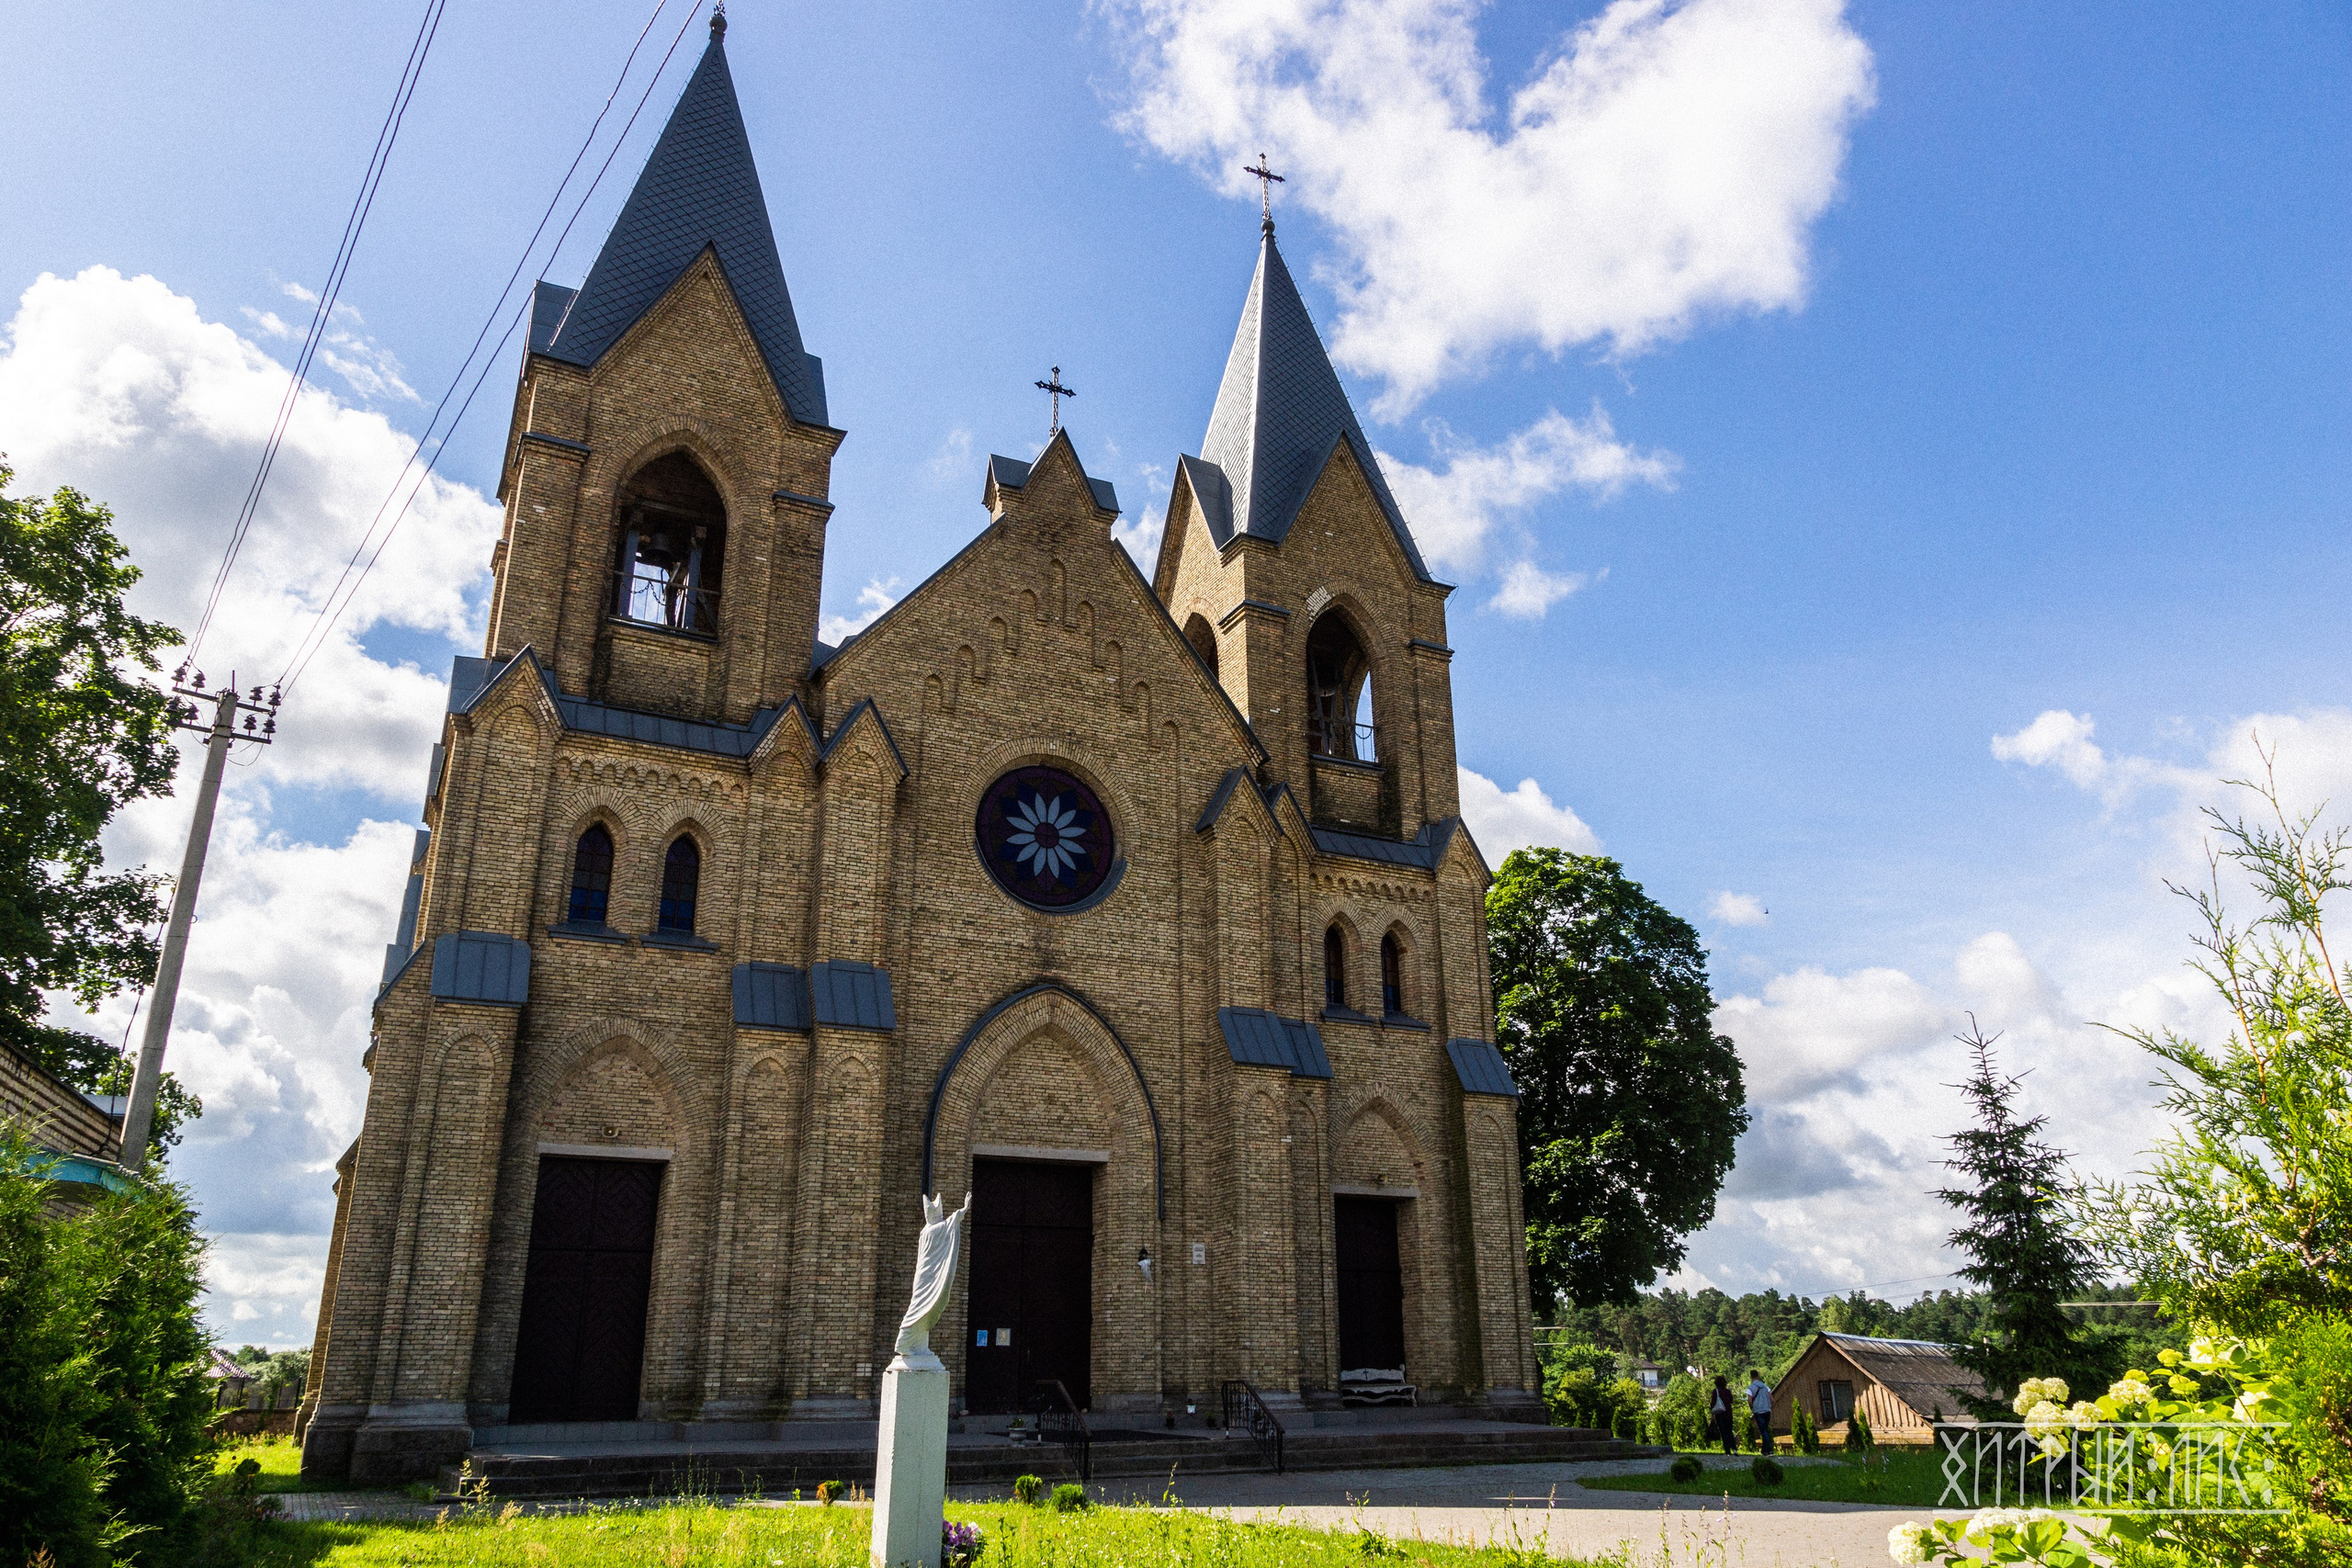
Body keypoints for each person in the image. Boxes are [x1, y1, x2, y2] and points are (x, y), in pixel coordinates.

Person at [1747, 1369, 1776, 1454]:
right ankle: (1764, 1450)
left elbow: (1750, 1400)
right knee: (1765, 1430)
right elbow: (1772, 1399)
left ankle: (1769, 1450)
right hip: (1767, 1410)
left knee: (1763, 1431)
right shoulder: (1765, 1386)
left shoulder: (1750, 1388)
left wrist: (1752, 1408)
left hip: (1758, 1411)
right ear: (1758, 1376)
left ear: (1751, 1377)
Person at [1708, 1374, 1737, 1455]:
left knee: (1723, 1432)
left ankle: (1727, 1451)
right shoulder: (1728, 1391)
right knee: (1730, 1431)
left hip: (1720, 1414)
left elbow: (1713, 1403)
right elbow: (1731, 1401)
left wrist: (1712, 1415)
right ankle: (1734, 1449)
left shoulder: (1715, 1391)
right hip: (1728, 1413)